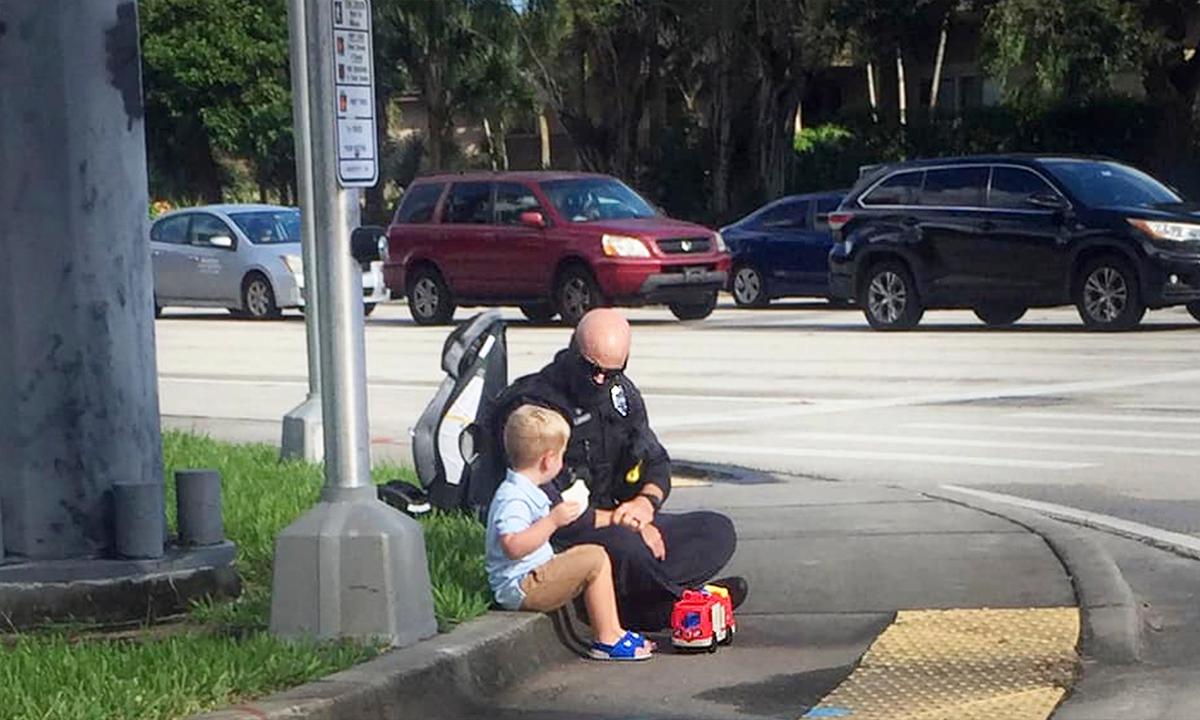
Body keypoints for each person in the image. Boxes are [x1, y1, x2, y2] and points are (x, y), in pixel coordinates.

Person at [492, 308, 745, 631]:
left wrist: (644, 506)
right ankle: (677, 605)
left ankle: (650, 602)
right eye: (591, 369)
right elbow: (552, 510)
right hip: (569, 533)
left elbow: (655, 462)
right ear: (573, 350)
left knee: (715, 531)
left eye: (611, 372)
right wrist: (623, 523)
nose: (600, 379)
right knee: (633, 551)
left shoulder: (620, 394)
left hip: (627, 517)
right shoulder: (536, 409)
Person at [485, 404, 653, 661]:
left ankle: (615, 630)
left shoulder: (526, 489)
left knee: (591, 554)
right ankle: (606, 638)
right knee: (594, 558)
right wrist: (553, 521)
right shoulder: (514, 498)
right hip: (522, 586)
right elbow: (513, 545)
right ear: (548, 460)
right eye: (562, 456)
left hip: (530, 576)